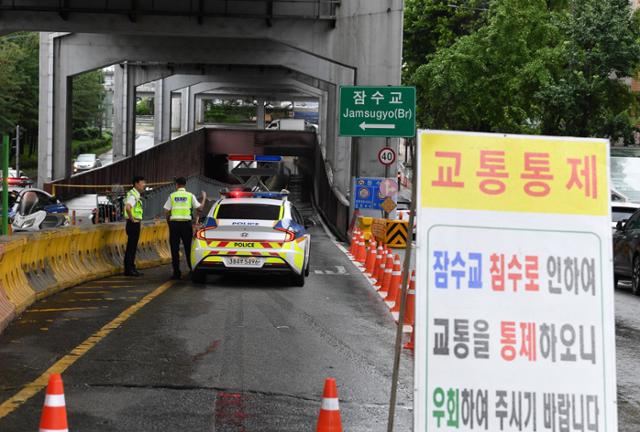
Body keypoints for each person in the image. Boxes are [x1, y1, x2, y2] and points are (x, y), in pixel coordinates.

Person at [164, 177, 206, 279]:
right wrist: (204, 197)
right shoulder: (190, 195)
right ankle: (191, 270)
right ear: (185, 185)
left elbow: (166, 210)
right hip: (186, 225)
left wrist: (169, 221)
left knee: (174, 248)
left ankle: (176, 273)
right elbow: (200, 208)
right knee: (188, 248)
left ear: (177, 185)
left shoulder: (172, 195)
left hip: (174, 224)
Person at [124, 175, 146, 277]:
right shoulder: (133, 195)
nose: (144, 185)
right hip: (133, 224)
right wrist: (132, 219)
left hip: (133, 224)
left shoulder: (135, 194)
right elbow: (128, 207)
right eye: (142, 182)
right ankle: (129, 269)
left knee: (131, 247)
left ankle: (131, 268)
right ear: (136, 184)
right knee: (131, 248)